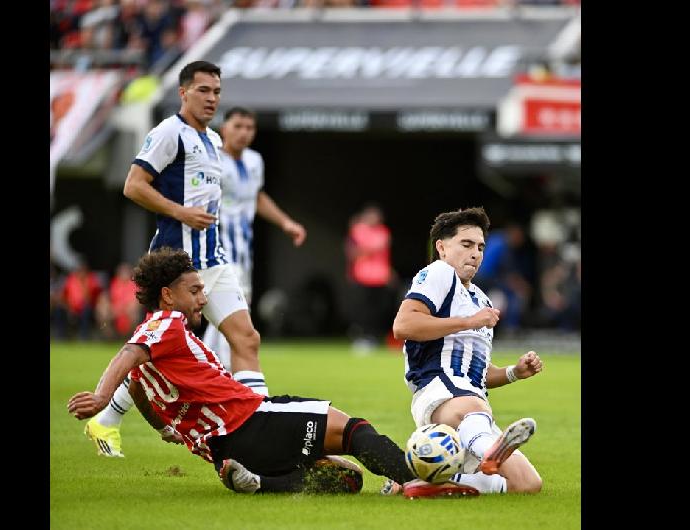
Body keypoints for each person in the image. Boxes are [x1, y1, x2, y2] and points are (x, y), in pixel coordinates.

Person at [68, 248, 432, 495]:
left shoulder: (152, 343)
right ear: (167, 295)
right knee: (354, 430)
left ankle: (259, 481)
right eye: (194, 290)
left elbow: (135, 387)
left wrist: (165, 426)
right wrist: (101, 397)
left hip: (222, 452)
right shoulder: (166, 323)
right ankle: (415, 480)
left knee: (346, 479)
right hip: (252, 421)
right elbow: (127, 355)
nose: (203, 298)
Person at [83, 60, 269, 458]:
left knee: (246, 338)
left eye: (217, 91)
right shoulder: (169, 133)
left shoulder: (214, 140)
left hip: (215, 262)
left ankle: (262, 423)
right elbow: (134, 186)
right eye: (203, 90)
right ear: (184, 93)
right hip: (177, 266)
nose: (211, 98)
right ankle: (107, 419)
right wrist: (180, 212)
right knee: (155, 355)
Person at [385, 207, 544, 497]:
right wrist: (469, 321)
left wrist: (514, 372)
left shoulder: (480, 297)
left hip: (471, 409)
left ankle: (425, 481)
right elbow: (403, 325)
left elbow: (476, 372)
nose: (476, 254)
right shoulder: (439, 273)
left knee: (527, 484)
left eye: (481, 247)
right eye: (467, 244)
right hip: (440, 393)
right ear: (442, 247)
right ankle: (489, 448)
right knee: (473, 406)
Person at [202, 106, 307, 370]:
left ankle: (210, 368)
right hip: (218, 248)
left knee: (230, 311)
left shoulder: (254, 161)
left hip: (243, 251)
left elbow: (256, 196)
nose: (244, 133)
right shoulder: (211, 160)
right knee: (231, 311)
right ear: (224, 129)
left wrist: (286, 222)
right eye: (238, 126)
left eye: (250, 128)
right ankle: (223, 370)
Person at [344, 204, 396, 352]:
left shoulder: (383, 231)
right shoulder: (358, 230)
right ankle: (362, 337)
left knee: (379, 309)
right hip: (362, 276)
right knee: (362, 310)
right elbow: (352, 251)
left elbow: (382, 251)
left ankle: (373, 337)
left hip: (380, 277)